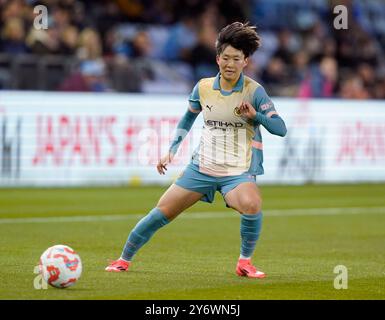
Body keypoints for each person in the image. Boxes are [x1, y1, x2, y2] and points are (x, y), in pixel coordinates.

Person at [106, 22, 287, 278]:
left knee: (252, 203)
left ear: (246, 61)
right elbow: (187, 118)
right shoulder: (203, 88)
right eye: (226, 58)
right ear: (217, 59)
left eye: (237, 59)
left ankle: (244, 262)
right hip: (202, 167)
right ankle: (123, 259)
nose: (230, 64)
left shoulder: (254, 92)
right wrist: (172, 149)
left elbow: (280, 128)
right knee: (161, 212)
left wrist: (257, 115)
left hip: (237, 172)